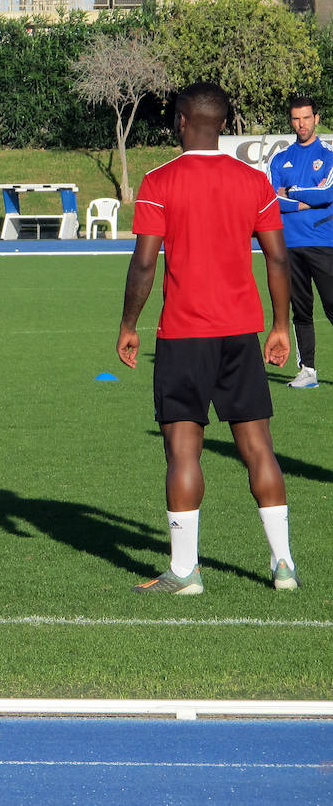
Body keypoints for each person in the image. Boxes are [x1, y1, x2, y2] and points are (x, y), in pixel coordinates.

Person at [118, 81, 299, 594]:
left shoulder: (159, 182)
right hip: (241, 332)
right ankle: (282, 565)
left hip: (184, 335)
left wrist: (129, 325)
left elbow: (145, 262)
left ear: (180, 121)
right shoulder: (254, 182)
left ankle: (184, 571)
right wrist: (280, 325)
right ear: (223, 125)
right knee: (259, 446)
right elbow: (278, 258)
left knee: (182, 450)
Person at [267, 95, 333, 390]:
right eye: (296, 118)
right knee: (300, 310)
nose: (301, 124)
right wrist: (305, 199)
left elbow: (328, 193)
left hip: (323, 241)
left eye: (306, 117)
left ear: (316, 118)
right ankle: (308, 370)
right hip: (289, 244)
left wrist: (291, 190)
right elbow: (270, 199)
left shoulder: (330, 155)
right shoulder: (280, 158)